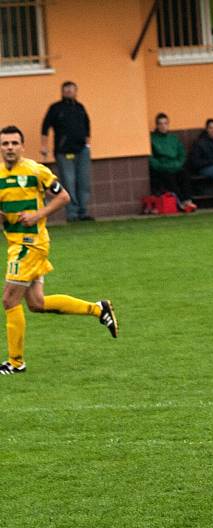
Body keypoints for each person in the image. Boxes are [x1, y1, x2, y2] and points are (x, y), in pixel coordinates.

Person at [0, 125, 118, 375]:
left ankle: (16, 362)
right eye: (5, 144)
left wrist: (37, 214)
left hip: (31, 244)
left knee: (9, 299)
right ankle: (98, 309)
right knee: (37, 303)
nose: (9, 147)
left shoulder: (35, 171)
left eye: (14, 143)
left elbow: (64, 196)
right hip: (15, 242)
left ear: (22, 146)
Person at [40, 81, 94, 222]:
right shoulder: (56, 108)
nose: (69, 91)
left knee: (84, 182)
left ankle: (83, 212)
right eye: (66, 89)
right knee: (68, 182)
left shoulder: (80, 108)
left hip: (82, 151)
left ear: (76, 91)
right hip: (63, 152)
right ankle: (72, 214)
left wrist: (87, 144)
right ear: (62, 91)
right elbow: (45, 127)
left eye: (72, 89)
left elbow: (87, 126)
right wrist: (44, 146)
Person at [149, 113, 198, 211]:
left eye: (165, 123)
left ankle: (188, 200)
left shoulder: (174, 138)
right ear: (157, 125)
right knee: (170, 180)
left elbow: (182, 153)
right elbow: (151, 158)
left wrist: (178, 164)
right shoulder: (152, 139)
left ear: (168, 125)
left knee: (185, 175)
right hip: (163, 168)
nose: (163, 126)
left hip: (176, 166)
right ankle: (181, 203)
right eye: (160, 124)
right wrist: (161, 166)